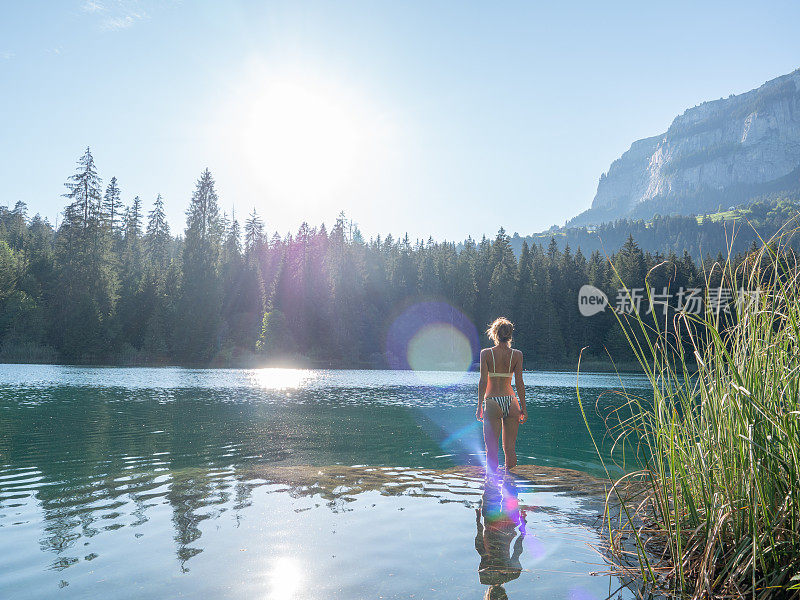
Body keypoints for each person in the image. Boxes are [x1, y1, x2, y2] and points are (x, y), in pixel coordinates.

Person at [476, 317, 526, 474]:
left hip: (492, 402)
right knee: (510, 449)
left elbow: (483, 381)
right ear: (510, 335)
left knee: (491, 449)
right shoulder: (517, 355)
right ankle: (511, 482)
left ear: (494, 334)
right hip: (511, 401)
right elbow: (519, 383)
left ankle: (491, 486)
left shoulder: (486, 353)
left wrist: (479, 406)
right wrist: (523, 407)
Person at [475, 473, 527, 599]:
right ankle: (496, 466)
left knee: (510, 486)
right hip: (490, 524)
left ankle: (507, 470)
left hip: (507, 526)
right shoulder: (484, 576)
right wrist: (478, 521)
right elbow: (480, 547)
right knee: (490, 484)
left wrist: (522, 527)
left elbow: (518, 550)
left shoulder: (513, 574)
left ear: (505, 595)